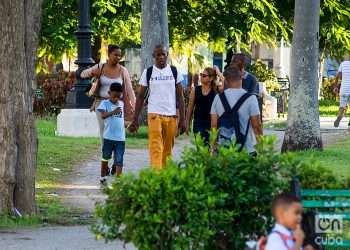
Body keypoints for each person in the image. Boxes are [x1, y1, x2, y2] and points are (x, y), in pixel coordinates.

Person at [128, 45, 186, 170]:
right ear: (154, 56)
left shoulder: (174, 71)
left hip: (171, 116)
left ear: (167, 56)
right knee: (156, 146)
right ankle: (156, 174)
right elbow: (140, 96)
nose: (161, 57)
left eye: (163, 54)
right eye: (158, 55)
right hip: (154, 114)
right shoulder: (148, 72)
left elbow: (180, 97)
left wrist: (183, 119)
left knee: (167, 148)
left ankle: (165, 176)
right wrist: (135, 119)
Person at [80, 45, 136, 141]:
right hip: (101, 104)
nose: (118, 58)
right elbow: (82, 74)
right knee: (104, 131)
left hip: (117, 105)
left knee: (117, 130)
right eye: (115, 55)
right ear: (109, 54)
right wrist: (93, 73)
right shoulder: (100, 67)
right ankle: (105, 154)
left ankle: (116, 153)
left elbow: (130, 90)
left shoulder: (123, 70)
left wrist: (135, 107)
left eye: (119, 55)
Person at [210, 66, 262, 154]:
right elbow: (256, 126)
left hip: (224, 151)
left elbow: (214, 125)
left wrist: (213, 148)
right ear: (241, 77)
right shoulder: (251, 98)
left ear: (225, 80)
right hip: (247, 150)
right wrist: (262, 148)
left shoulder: (218, 98)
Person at [96, 83, 126, 184]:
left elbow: (122, 119)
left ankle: (118, 179)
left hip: (120, 138)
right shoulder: (105, 103)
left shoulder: (122, 104)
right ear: (109, 93)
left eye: (118, 96)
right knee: (105, 157)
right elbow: (103, 116)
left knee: (119, 159)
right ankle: (103, 176)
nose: (116, 99)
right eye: (114, 96)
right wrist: (114, 111)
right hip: (108, 137)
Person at [185, 67, 217, 144]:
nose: (201, 77)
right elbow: (190, 107)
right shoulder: (195, 90)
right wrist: (187, 123)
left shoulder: (215, 91)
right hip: (198, 122)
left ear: (211, 78)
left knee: (210, 148)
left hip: (211, 123)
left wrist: (218, 73)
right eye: (201, 75)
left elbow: (225, 83)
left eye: (204, 75)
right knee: (200, 148)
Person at [333, 58, 350, 127]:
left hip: (344, 89)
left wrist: (335, 87)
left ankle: (339, 116)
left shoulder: (343, 64)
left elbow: (338, 76)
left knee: (342, 106)